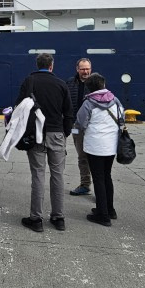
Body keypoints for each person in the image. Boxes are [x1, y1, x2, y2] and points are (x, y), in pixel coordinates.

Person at [17, 53, 73, 232]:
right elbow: (69, 112)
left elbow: (20, 106)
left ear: (37, 64)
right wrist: (65, 132)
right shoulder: (61, 84)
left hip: (36, 134)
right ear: (51, 66)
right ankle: (58, 218)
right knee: (58, 175)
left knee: (38, 175)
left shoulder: (29, 81)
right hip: (57, 134)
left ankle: (36, 219)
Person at [76, 73, 123, 227]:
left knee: (98, 179)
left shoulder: (88, 103)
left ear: (89, 87)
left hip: (95, 146)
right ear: (103, 84)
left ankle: (103, 215)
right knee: (107, 176)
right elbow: (121, 118)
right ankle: (110, 209)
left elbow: (81, 123)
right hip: (111, 146)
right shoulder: (115, 100)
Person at [66, 58, 93, 196]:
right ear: (77, 69)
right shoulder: (70, 83)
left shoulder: (96, 83)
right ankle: (85, 184)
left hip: (93, 127)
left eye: (87, 68)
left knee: (96, 157)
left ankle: (101, 189)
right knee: (82, 157)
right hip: (76, 126)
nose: (85, 71)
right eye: (82, 69)